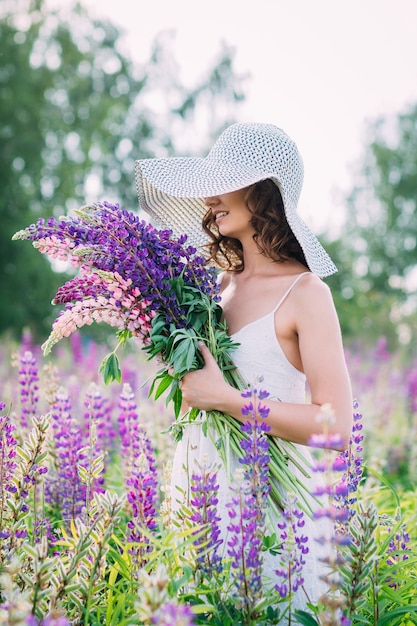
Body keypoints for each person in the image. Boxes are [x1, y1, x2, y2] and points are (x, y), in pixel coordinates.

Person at [135, 122, 353, 609]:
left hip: (271, 512)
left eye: (225, 181)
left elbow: (335, 425)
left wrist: (228, 400)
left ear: (264, 193)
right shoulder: (212, 287)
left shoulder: (307, 293)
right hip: (199, 492)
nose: (209, 196)